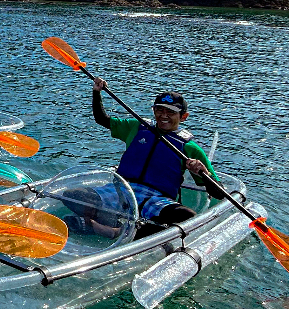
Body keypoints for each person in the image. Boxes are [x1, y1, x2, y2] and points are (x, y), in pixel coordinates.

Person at [90, 79, 220, 238]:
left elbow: (218, 192)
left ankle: (116, 232)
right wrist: (97, 92)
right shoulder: (136, 127)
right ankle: (94, 223)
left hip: (156, 198)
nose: (164, 116)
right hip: (123, 189)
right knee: (75, 194)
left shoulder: (190, 148)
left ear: (183, 116)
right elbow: (102, 119)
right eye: (159, 110)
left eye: (171, 112)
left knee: (187, 218)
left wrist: (203, 173)